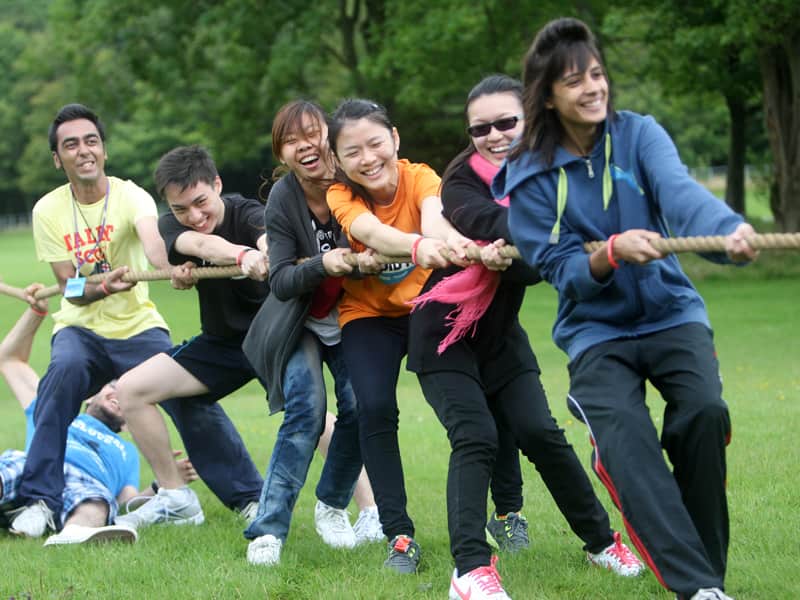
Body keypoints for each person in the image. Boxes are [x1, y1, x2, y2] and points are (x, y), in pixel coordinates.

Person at [494, 18, 758, 600]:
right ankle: (701, 590)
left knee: (705, 414)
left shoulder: (639, 135)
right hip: (596, 332)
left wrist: (726, 231)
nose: (592, 88)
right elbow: (558, 266)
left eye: (597, 74)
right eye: (574, 81)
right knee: (629, 445)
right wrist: (609, 255)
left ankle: (704, 579)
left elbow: (680, 193)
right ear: (548, 95)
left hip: (671, 312)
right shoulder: (531, 172)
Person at [407, 74, 644, 600]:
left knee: (540, 432)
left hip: (500, 335)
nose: (494, 135)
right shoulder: (462, 181)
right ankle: (469, 570)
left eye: (506, 122)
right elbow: (482, 218)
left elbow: (533, 268)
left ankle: (602, 542)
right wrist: (553, 231)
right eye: (480, 127)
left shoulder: (557, 172)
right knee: (476, 437)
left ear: (531, 116)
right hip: (443, 332)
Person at [9, 103, 178, 538]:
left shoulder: (131, 195)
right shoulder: (48, 210)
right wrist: (103, 286)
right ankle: (41, 501)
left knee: (188, 383)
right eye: (71, 144)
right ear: (57, 158)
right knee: (60, 375)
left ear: (102, 150)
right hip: (80, 329)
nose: (83, 151)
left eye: (91, 141)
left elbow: (153, 241)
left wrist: (171, 265)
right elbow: (69, 286)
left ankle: (246, 493)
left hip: (138, 325)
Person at [326, 98, 474, 574]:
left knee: (467, 400)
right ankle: (400, 536)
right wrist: (419, 247)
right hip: (366, 313)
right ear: (340, 160)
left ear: (394, 139)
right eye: (352, 152)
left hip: (424, 307)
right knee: (373, 407)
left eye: (375, 143)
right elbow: (369, 230)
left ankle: (505, 510)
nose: (367, 158)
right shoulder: (340, 195)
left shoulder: (421, 176)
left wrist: (445, 241)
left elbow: (432, 215)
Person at [242, 99, 372, 566]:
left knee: (362, 404)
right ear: (282, 155)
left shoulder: (354, 182)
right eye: (290, 141)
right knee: (306, 410)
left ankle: (333, 504)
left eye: (311, 133)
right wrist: (322, 264)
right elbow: (279, 279)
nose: (304, 146)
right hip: (300, 322)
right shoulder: (283, 198)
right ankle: (268, 530)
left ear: (330, 135)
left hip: (355, 315)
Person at [115, 145, 269, 529]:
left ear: (217, 184)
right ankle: (175, 496)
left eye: (201, 202)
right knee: (131, 389)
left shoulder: (246, 211)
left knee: (311, 418)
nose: (194, 216)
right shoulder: (174, 225)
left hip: (273, 339)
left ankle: (365, 511)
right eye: (182, 209)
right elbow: (199, 245)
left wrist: (264, 251)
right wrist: (241, 257)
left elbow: (269, 237)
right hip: (220, 345)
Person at [0, 301, 197, 545]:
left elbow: (125, 503)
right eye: (113, 387)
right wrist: (36, 312)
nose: (118, 395)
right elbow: (9, 359)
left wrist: (163, 483)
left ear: (130, 421)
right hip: (35, 473)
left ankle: (73, 535)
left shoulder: (128, 453)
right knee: (11, 466)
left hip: (85, 486)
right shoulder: (51, 408)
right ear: (90, 393)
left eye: (125, 396)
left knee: (99, 501)